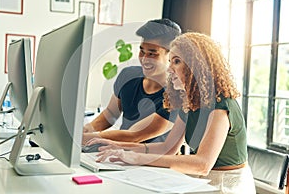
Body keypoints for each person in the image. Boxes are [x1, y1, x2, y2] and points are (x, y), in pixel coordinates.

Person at [87, 32, 256, 193]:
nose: (169, 69)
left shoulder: (220, 104)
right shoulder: (189, 103)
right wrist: (121, 147)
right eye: (170, 62)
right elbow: (167, 148)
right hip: (203, 181)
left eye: (176, 61)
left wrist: (135, 157)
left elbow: (202, 164)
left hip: (226, 185)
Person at [82, 19, 181, 149]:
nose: (144, 59)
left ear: (171, 55)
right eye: (142, 51)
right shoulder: (128, 75)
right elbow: (111, 114)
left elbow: (134, 136)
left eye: (152, 53)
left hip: (148, 161)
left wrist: (86, 138)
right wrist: (85, 130)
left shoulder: (177, 94)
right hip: (113, 152)